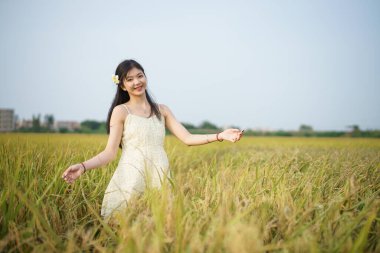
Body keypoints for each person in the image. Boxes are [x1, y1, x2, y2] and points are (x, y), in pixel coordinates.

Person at [62, 59, 244, 219]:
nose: (137, 82)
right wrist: (83, 166)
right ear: (123, 86)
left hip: (159, 175)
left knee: (159, 228)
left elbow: (187, 138)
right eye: (130, 79)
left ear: (145, 77)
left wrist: (220, 135)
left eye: (140, 76)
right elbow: (109, 153)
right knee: (125, 229)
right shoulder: (121, 111)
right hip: (130, 177)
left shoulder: (162, 110)